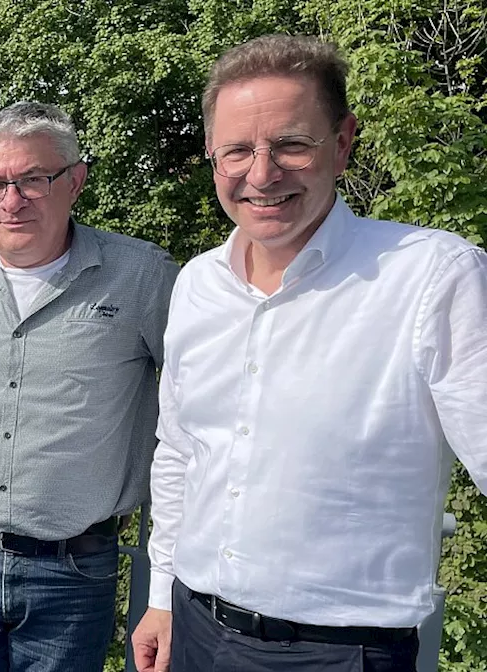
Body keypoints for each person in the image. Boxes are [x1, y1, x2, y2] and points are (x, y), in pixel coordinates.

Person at [131, 34, 487, 672]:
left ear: (344, 142)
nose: (261, 174)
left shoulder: (434, 276)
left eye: (291, 144)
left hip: (342, 649)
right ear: (213, 158)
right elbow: (182, 451)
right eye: (237, 150)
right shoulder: (198, 283)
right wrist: (160, 598)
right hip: (195, 626)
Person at [0, 100, 178, 671]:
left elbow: (191, 394)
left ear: (75, 181)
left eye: (33, 179)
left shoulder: (142, 274)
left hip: (74, 568)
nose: (11, 199)